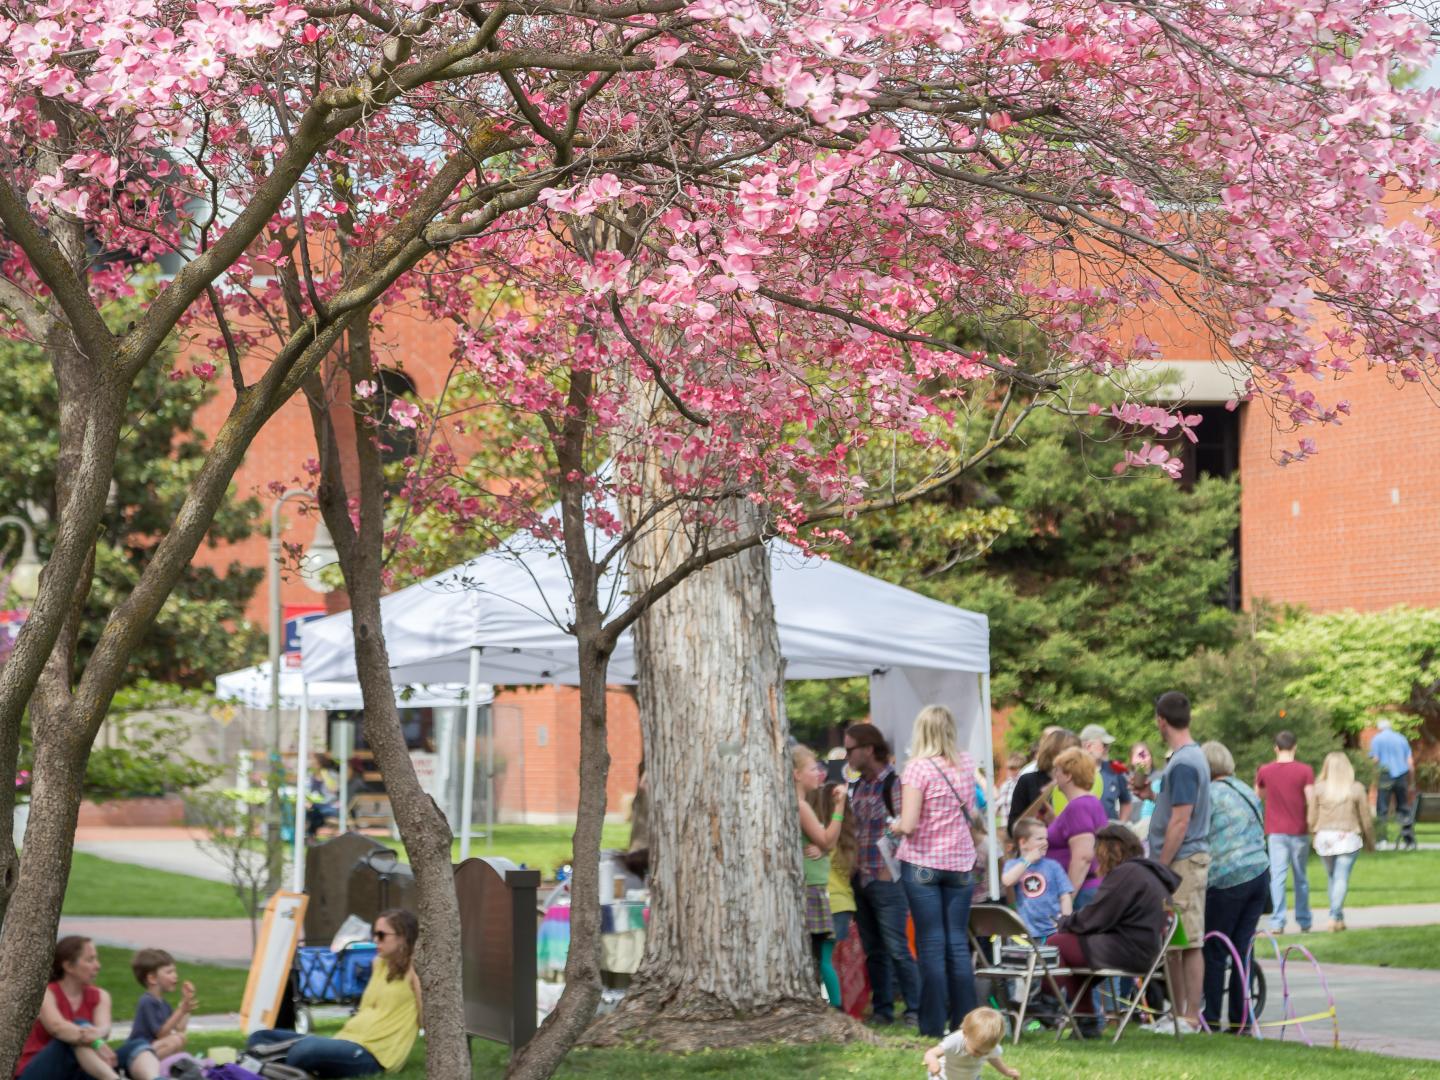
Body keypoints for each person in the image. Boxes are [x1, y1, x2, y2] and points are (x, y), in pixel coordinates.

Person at [891, 704, 980, 1039]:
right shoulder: (966, 763)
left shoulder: (916, 769)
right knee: (957, 944)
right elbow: (971, 809)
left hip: (924, 862)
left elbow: (910, 824)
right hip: (959, 863)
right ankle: (966, 1023)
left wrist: (894, 827)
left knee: (930, 943)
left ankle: (931, 1024)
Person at [248, 909, 421, 1076]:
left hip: (374, 1054)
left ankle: (265, 1060)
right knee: (260, 1037)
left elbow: (427, 1020)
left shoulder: (416, 971)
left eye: (381, 935)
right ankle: (270, 1059)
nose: (375, 940)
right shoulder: (379, 963)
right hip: (346, 1040)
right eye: (374, 934)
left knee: (304, 1052)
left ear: (403, 937)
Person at [1048, 825, 1180, 1039]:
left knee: (1057, 942)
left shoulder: (1126, 873)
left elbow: (1096, 915)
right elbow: (1104, 916)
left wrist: (1064, 922)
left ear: (1113, 849)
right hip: (1143, 950)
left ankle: (1045, 1002)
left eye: (1099, 851)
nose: (1097, 860)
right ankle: (1084, 1021)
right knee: (1071, 959)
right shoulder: (1145, 872)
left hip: (1129, 950)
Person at [1130, 690, 1210, 1034]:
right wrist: (1151, 795)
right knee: (1174, 940)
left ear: (1161, 721)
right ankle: (1177, 1016)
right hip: (1180, 859)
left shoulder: (1185, 763)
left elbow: (1181, 819)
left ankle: (1190, 1016)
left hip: (1183, 861)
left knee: (1189, 940)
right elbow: (1174, 808)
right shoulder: (1186, 759)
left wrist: (1160, 866)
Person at [844, 721, 922, 1027]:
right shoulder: (858, 786)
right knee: (873, 950)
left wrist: (894, 871)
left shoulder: (895, 784)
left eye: (851, 749)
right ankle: (883, 1009)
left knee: (897, 948)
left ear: (868, 749)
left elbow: (906, 830)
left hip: (887, 879)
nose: (847, 755)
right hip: (861, 878)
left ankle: (915, 1010)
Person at [1200, 741, 1269, 1033]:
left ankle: (1212, 1017)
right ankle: (1241, 1019)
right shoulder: (1245, 790)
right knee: (1243, 947)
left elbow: (1197, 834)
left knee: (1215, 947)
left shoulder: (1209, 795)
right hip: (1259, 873)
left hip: (1228, 876)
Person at [16, 936, 132, 1080]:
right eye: (90, 960)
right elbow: (57, 1028)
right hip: (37, 1072)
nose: (98, 966)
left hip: (77, 1072)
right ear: (69, 966)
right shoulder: (46, 994)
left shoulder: (101, 996)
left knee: (136, 1046)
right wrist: (93, 1040)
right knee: (76, 1031)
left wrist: (93, 1036)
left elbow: (104, 1029)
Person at [793, 744, 847, 995]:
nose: (819, 773)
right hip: (812, 886)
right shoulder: (801, 806)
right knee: (823, 956)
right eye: (813, 769)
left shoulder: (799, 804)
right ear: (796, 774)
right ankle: (837, 1008)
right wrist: (839, 808)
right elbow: (827, 840)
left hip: (809, 883)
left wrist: (823, 846)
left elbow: (824, 843)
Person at [1254, 731, 1315, 934]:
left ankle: (1278, 921)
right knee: (1301, 876)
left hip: (1275, 830)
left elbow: (1258, 796)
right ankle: (1304, 919)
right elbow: (1311, 799)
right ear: (1295, 747)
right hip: (1299, 829)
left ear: (1276, 748)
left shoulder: (1265, 770)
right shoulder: (1305, 771)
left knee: (1278, 876)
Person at [1307, 753, 1375, 932]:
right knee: (1341, 877)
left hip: (1325, 838)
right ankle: (1334, 915)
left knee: (1333, 877)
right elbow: (1365, 817)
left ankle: (1338, 918)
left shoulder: (1319, 788)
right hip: (1348, 837)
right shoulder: (1356, 788)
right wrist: (1370, 841)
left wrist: (1312, 832)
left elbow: (1312, 816)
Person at [116, 949, 196, 1079]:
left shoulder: (163, 1003)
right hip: (139, 1052)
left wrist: (186, 1003)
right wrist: (180, 1010)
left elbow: (180, 1028)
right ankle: (144, 1071)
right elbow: (161, 1033)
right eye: (169, 972)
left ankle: (164, 1070)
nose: (175, 975)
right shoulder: (147, 1001)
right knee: (175, 1040)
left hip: (155, 1047)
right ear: (152, 978)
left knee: (180, 1037)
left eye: (175, 971)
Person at [1046, 748, 1107, 909]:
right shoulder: (1090, 802)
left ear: (1068, 776)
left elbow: (1083, 856)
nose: (1055, 776)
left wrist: (1068, 898)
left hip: (1083, 892)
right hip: (1090, 888)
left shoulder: (1078, 806)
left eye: (1057, 771)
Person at [1001, 817, 1073, 940]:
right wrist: (1028, 860)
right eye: (1040, 839)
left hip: (1052, 931)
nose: (1045, 842)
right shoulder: (1013, 865)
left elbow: (1065, 896)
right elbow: (1007, 881)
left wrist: (1065, 923)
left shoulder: (1053, 866)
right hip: (1026, 932)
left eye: (1046, 838)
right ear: (1023, 843)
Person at [824, 773, 859, 1008]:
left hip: (829, 903)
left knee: (823, 960)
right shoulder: (848, 840)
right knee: (832, 960)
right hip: (845, 904)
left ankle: (836, 1006)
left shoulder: (824, 839)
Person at [1006, 729, 1078, 835]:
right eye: (1069, 753)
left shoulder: (1079, 782)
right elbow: (1012, 829)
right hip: (1039, 848)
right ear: (1052, 753)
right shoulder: (1028, 781)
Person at [922, 1006, 1021, 1080]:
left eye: (985, 1053)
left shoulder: (991, 1046)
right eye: (977, 1051)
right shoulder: (955, 1041)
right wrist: (933, 1063)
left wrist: (1007, 1071)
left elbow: (994, 1059)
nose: (980, 1055)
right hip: (943, 1076)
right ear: (965, 1034)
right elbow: (931, 1053)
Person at [1368, 719, 1414, 850]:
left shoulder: (1377, 739)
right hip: (1401, 775)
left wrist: (1372, 775)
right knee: (1403, 808)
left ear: (1379, 728)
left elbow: (1375, 759)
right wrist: (1412, 782)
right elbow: (1410, 762)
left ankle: (1382, 840)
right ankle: (1408, 840)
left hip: (1385, 775)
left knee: (1382, 808)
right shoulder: (1401, 738)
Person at [1081, 725, 1133, 823]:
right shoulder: (1074, 771)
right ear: (1088, 746)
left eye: (1108, 745)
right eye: (1104, 745)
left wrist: (1121, 825)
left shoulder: (1115, 770)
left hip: (1110, 834)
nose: (1107, 749)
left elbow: (1126, 802)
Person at [994, 751, 1028, 831]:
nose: (1011, 771)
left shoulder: (1024, 784)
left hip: (1020, 829)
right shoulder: (1005, 785)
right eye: (1009, 768)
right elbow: (998, 806)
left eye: (1014, 768)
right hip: (1005, 828)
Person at [1129, 742, 1158, 823]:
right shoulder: (1126, 779)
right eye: (1140, 755)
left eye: (1146, 755)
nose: (1143, 758)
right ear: (1132, 759)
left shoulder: (1161, 777)